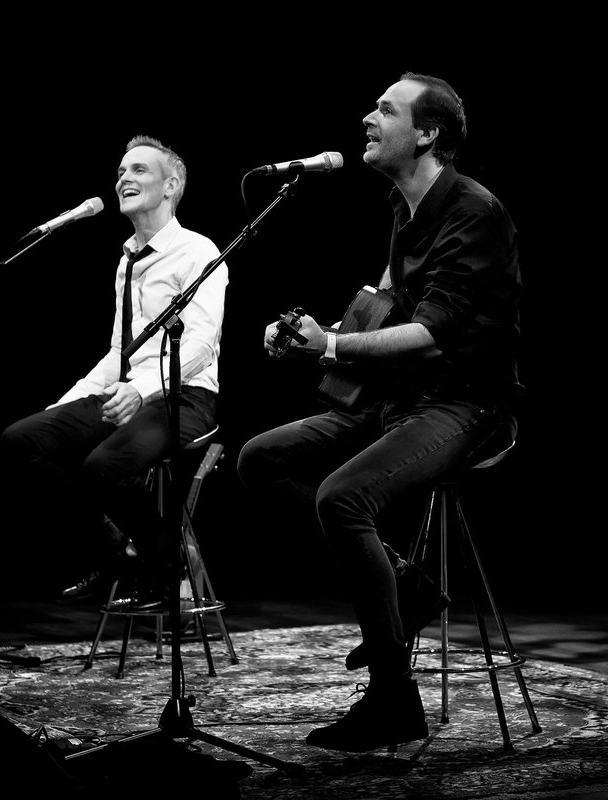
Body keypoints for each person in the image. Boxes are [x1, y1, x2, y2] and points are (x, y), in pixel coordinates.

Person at [237, 72, 523, 752]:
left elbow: (433, 332)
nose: (368, 118)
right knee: (259, 461)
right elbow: (390, 303)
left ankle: (394, 698)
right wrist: (311, 334)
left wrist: (331, 345)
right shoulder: (405, 207)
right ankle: (406, 585)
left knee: (342, 500)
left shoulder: (473, 212)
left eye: (384, 110)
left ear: (426, 134)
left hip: (465, 403)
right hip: (400, 397)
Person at [0, 135, 227, 610]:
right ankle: (116, 557)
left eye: (140, 170)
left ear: (171, 185)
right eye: (122, 171)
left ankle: (168, 571)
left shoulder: (198, 251)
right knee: (24, 439)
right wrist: (66, 405)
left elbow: (201, 347)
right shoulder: (126, 260)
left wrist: (142, 390)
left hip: (186, 396)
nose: (125, 178)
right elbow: (118, 353)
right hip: (129, 390)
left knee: (104, 467)